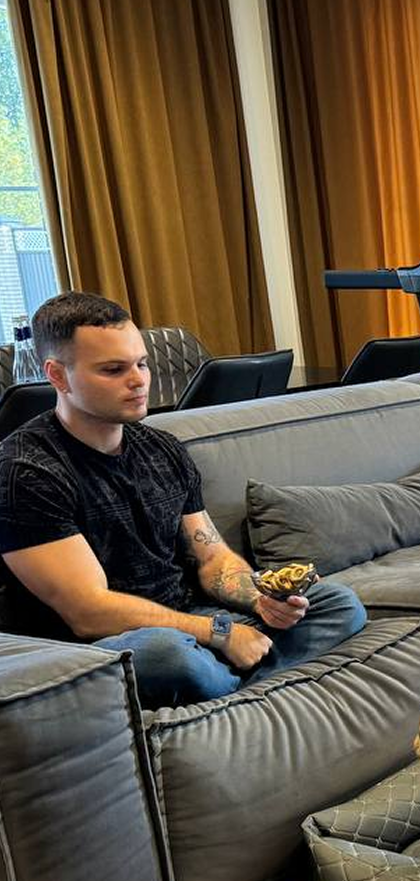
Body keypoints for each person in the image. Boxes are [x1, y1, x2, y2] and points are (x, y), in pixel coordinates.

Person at [0, 291, 367, 708]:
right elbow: (88, 612)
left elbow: (212, 558)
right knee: (170, 658)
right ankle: (238, 681)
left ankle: (225, 685)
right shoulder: (25, 471)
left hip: (192, 621)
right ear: (58, 375)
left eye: (141, 364)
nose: (138, 381)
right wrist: (220, 634)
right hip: (104, 648)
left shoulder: (163, 449)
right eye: (113, 370)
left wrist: (260, 599)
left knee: (339, 604)